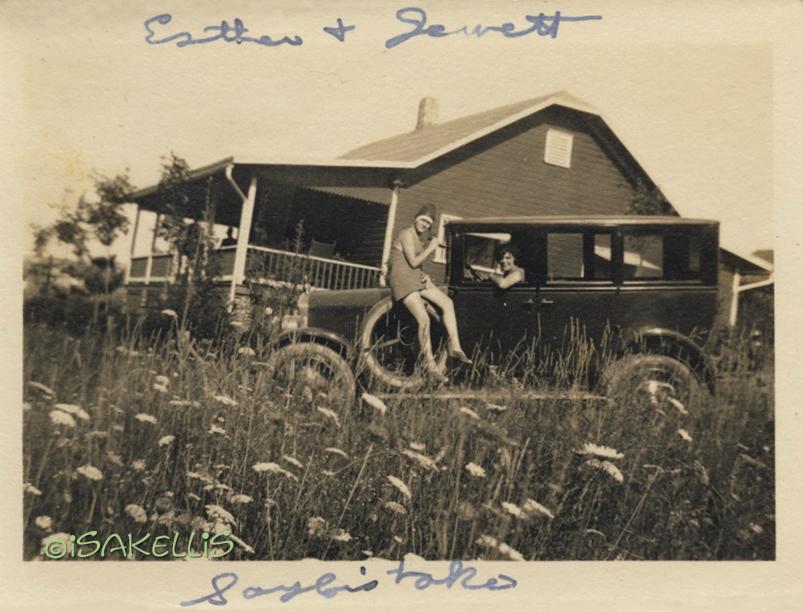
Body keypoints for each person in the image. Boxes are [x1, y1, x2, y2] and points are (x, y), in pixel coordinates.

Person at [388, 203, 472, 380]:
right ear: (416, 219)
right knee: (424, 319)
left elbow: (416, 266)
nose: (424, 224)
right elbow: (412, 261)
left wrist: (424, 274)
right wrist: (432, 248)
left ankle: (455, 348)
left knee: (447, 303)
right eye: (422, 220)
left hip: (415, 277)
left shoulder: (420, 237)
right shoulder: (406, 234)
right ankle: (430, 365)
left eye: (428, 222)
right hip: (402, 280)